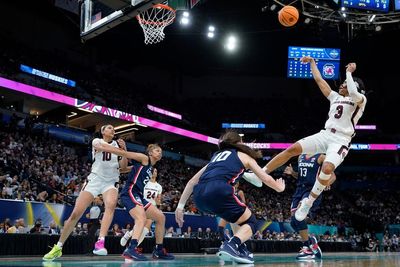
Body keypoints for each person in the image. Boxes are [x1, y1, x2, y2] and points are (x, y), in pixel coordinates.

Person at [245, 58, 367, 222]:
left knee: (328, 166)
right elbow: (319, 80)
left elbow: (353, 92)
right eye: (344, 82)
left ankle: (308, 202)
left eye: (346, 83)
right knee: (292, 149)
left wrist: (348, 73)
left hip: (341, 140)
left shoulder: (360, 100)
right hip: (325, 134)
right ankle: (260, 174)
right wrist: (312, 63)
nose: (343, 85)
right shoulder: (335, 97)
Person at [175, 131, 285, 264]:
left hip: (199, 197)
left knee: (233, 216)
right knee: (251, 222)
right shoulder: (243, 155)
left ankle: (240, 247)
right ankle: (232, 245)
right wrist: (279, 188)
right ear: (239, 143)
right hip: (219, 190)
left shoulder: (215, 157)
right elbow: (265, 178)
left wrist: (180, 207)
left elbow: (192, 181)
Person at [43, 125, 128, 261]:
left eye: (113, 129)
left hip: (111, 181)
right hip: (94, 179)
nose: (113, 130)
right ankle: (58, 247)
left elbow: (123, 167)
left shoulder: (118, 146)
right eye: (109, 128)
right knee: (75, 214)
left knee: (111, 205)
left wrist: (124, 150)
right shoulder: (96, 141)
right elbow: (104, 148)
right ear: (103, 131)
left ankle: (100, 242)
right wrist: (119, 149)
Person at [119, 144, 174, 261]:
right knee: (141, 218)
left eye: (161, 151)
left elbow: (124, 169)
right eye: (157, 150)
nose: (160, 153)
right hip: (130, 192)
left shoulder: (150, 167)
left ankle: (158, 250)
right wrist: (103, 146)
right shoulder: (144, 158)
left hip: (140, 195)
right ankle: (131, 249)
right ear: (150, 152)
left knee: (161, 218)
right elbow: (125, 155)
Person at [284, 154, 336, 260]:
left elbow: (333, 176)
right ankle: (311, 241)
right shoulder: (301, 157)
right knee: (294, 222)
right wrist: (292, 172)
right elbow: (301, 176)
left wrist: (326, 183)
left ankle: (307, 248)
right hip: (299, 190)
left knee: (299, 216)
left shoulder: (321, 157)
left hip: (312, 191)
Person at [120, 168, 162, 248]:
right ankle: (130, 238)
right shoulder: (145, 183)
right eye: (153, 170)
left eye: (156, 171)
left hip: (151, 207)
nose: (154, 172)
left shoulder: (159, 186)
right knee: (141, 224)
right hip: (141, 205)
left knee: (146, 229)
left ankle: (132, 245)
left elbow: (159, 202)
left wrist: (158, 201)